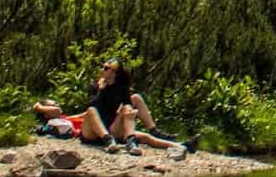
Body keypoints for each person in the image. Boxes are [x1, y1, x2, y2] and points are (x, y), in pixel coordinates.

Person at [36, 60, 189, 157]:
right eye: (103, 67)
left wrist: (128, 113)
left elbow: (127, 104)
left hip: (111, 127)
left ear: (114, 73)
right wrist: (101, 89)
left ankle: (181, 146)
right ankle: (108, 141)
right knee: (92, 111)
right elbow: (92, 105)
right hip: (92, 132)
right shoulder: (95, 86)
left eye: (106, 68)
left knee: (139, 127)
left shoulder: (120, 87)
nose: (102, 69)